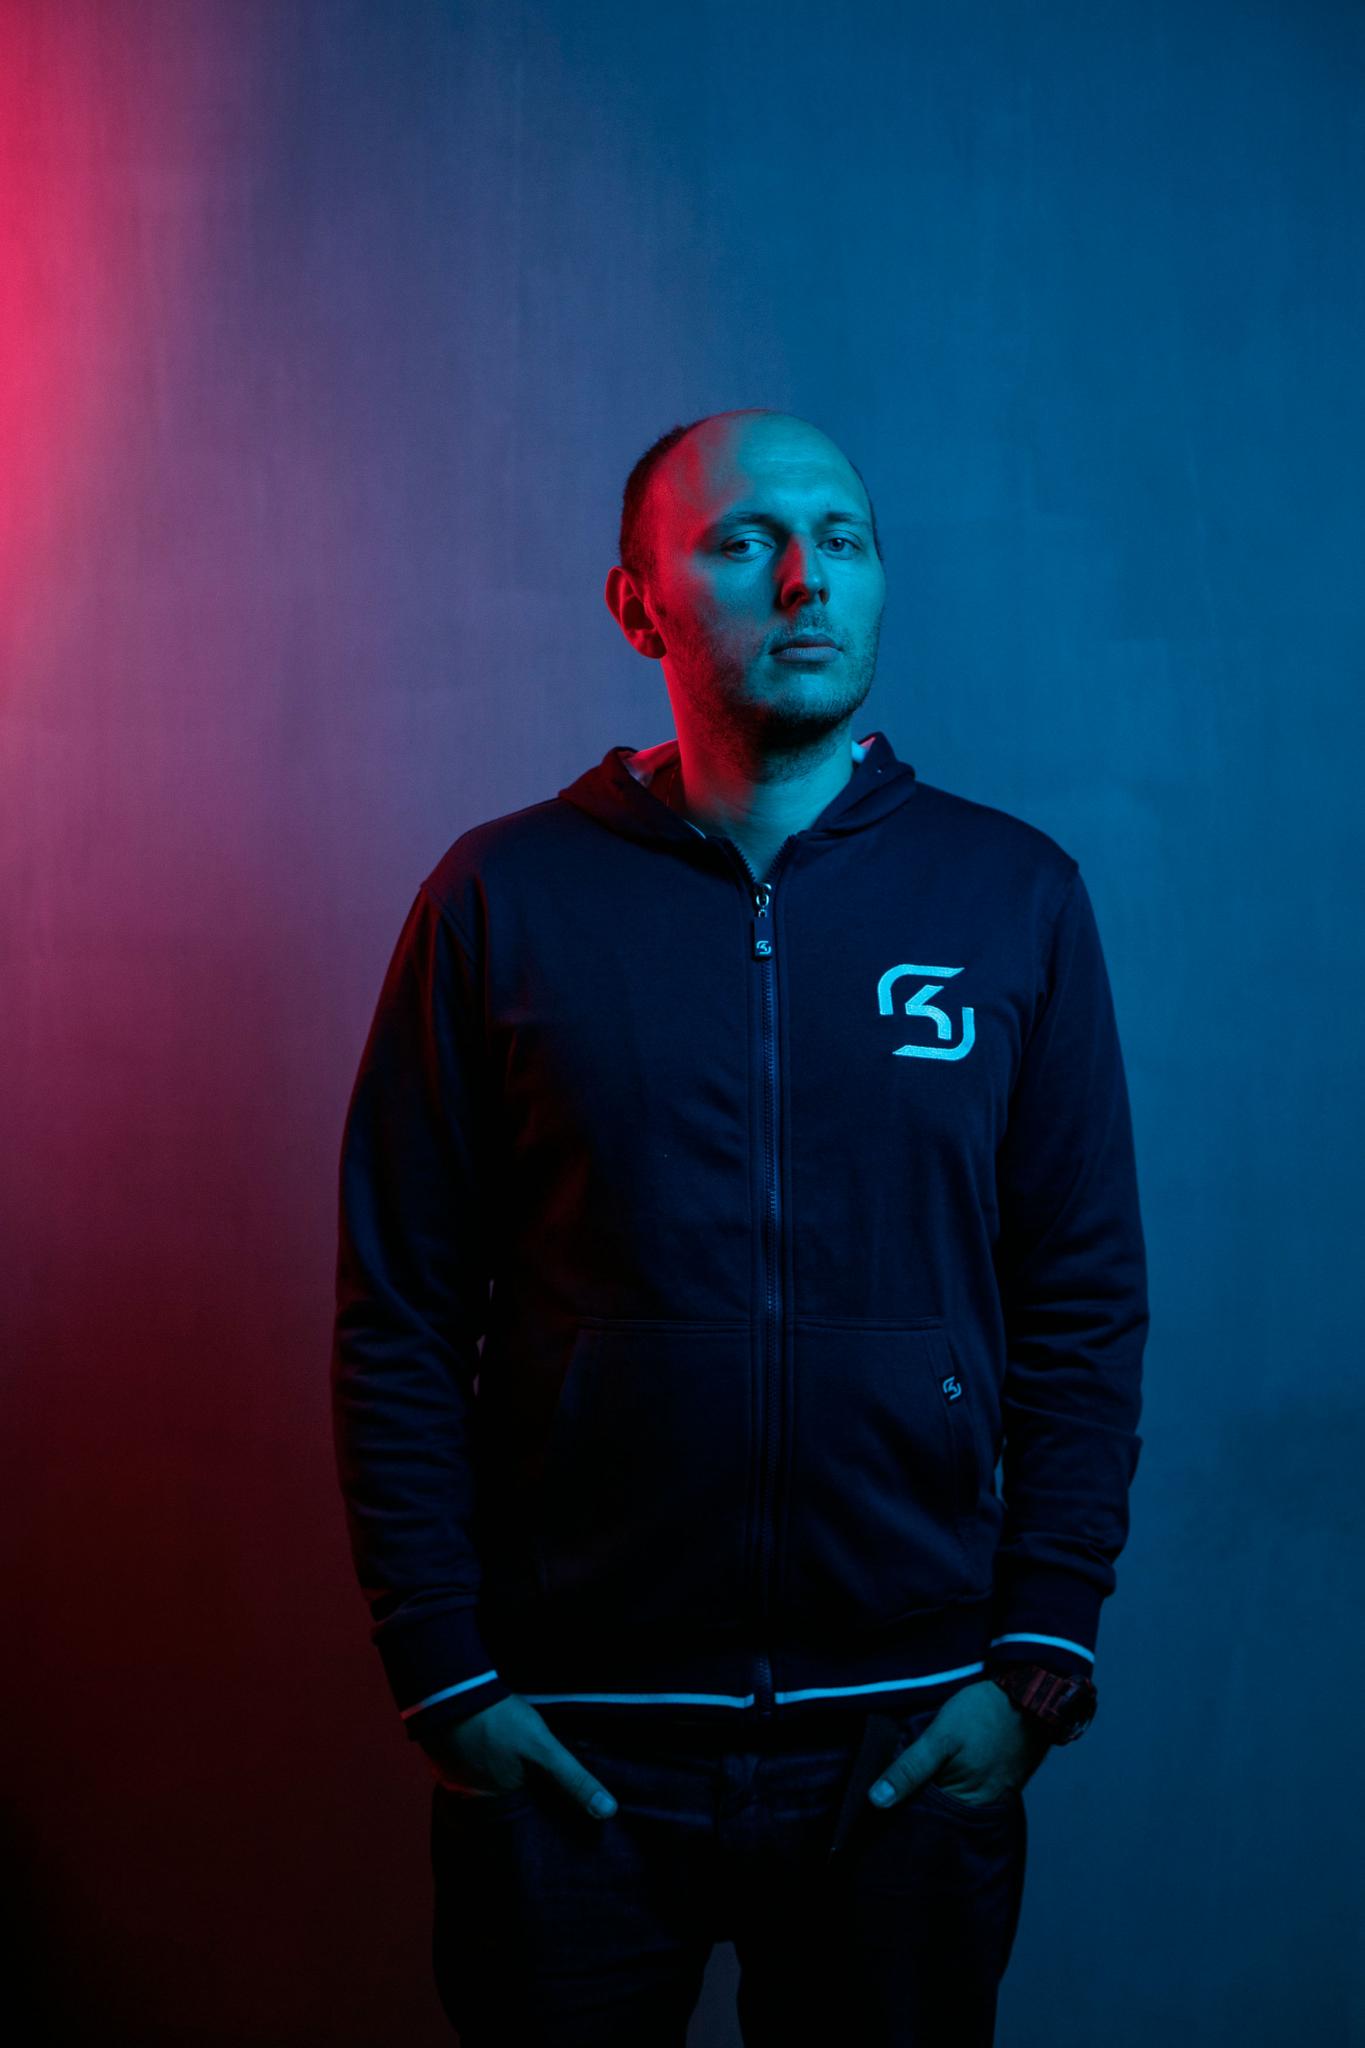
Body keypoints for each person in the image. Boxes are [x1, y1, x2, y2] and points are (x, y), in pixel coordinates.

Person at [330, 407, 1149, 2045]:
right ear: (636, 605)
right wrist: (446, 1679)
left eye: (840, 539)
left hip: (905, 1739)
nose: (802, 579)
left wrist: (1035, 1659)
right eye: (740, 541)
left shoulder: (1009, 897)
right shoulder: (501, 901)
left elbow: (1078, 1295)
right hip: (571, 1744)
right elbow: (399, 1312)